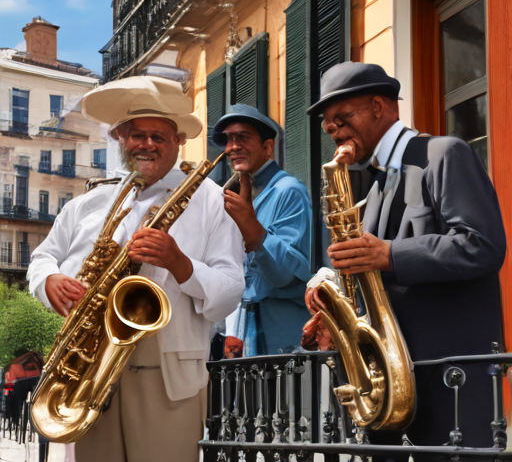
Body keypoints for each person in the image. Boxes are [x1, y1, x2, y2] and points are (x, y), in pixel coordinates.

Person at [27, 75, 245, 462]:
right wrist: (49, 281)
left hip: (167, 379)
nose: (147, 144)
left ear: (178, 142)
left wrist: (180, 264)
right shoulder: (88, 203)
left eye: (159, 137)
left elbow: (229, 292)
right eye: (137, 135)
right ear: (120, 138)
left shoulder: (212, 201)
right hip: (88, 373)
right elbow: (42, 257)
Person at [307, 62, 506, 451]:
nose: (335, 133)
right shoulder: (378, 183)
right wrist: (336, 306)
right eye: (329, 127)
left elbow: (482, 244)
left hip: (451, 379)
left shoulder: (444, 153)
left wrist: (389, 254)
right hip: (393, 376)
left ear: (379, 107)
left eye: (342, 119)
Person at [212, 104, 312, 356]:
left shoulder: (289, 191)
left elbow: (286, 275)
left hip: (282, 332)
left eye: (243, 137)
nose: (232, 147)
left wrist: (254, 232)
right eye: (229, 140)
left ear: (268, 147)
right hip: (243, 329)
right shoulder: (236, 191)